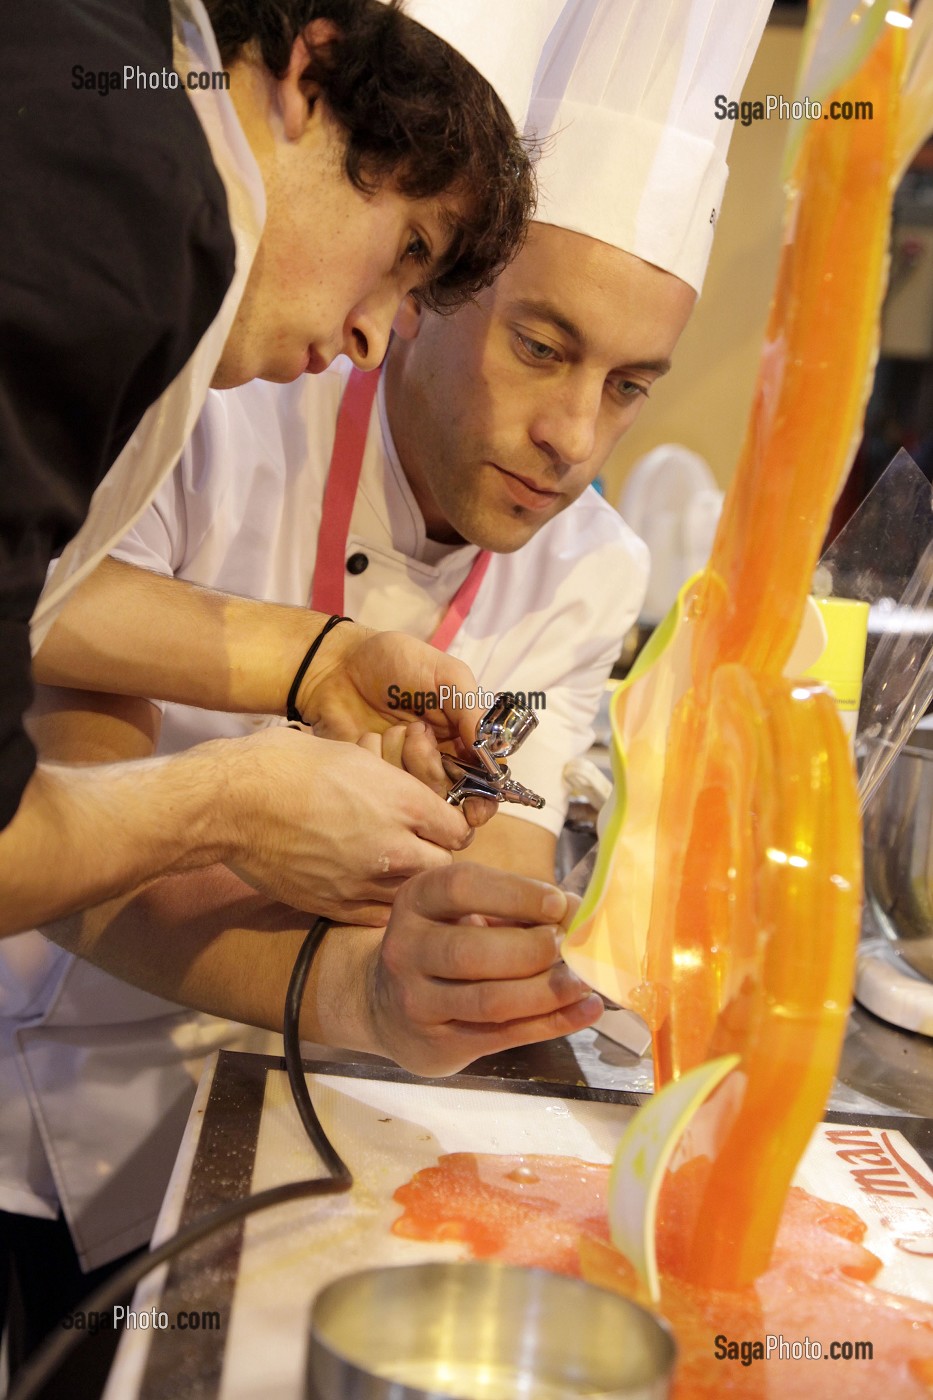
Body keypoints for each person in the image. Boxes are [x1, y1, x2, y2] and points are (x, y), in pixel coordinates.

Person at [3, 0, 772, 1291]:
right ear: (431, 295)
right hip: (54, 1131)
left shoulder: (597, 572)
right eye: (540, 348)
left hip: (325, 1178)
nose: (573, 440)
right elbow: (60, 832)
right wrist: (321, 920)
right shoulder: (224, 379)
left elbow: (483, 899)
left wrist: (472, 956)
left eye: (630, 387)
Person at [0, 0, 558, 940]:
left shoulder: (96, 77)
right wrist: (232, 803)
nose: (373, 338)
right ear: (311, 77)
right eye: (408, 248)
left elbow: (36, 596)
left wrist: (325, 664)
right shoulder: (133, 186)